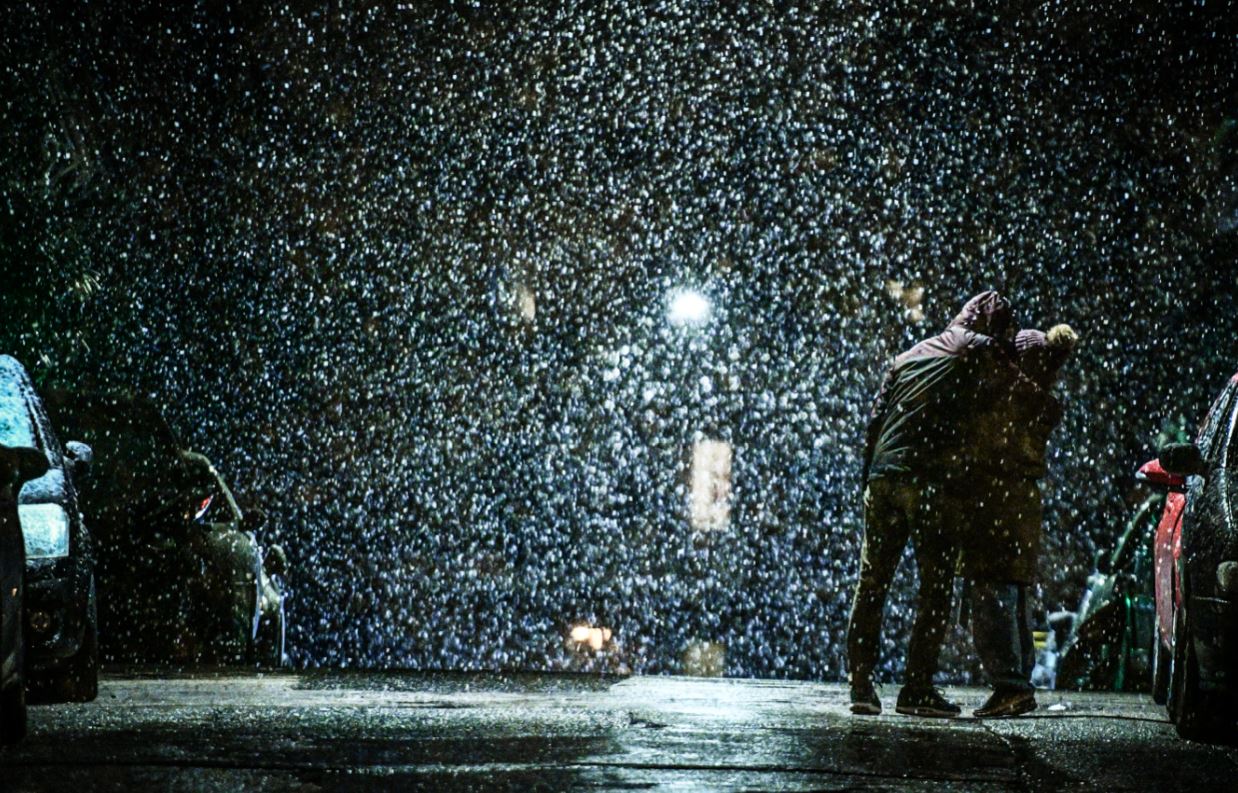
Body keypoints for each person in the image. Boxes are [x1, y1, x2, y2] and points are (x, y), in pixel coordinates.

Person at [848, 291, 1016, 717]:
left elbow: (874, 420)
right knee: (935, 589)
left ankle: (861, 685)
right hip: (929, 482)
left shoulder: (906, 357)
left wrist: (871, 476)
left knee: (872, 585)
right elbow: (1009, 358)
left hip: (884, 477)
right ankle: (916, 688)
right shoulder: (971, 345)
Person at [960, 324, 1077, 717]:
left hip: (999, 502)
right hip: (1019, 502)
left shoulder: (1016, 398)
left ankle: (1010, 685)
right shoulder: (1035, 398)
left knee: (993, 591)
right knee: (1013, 592)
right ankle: (1017, 683)